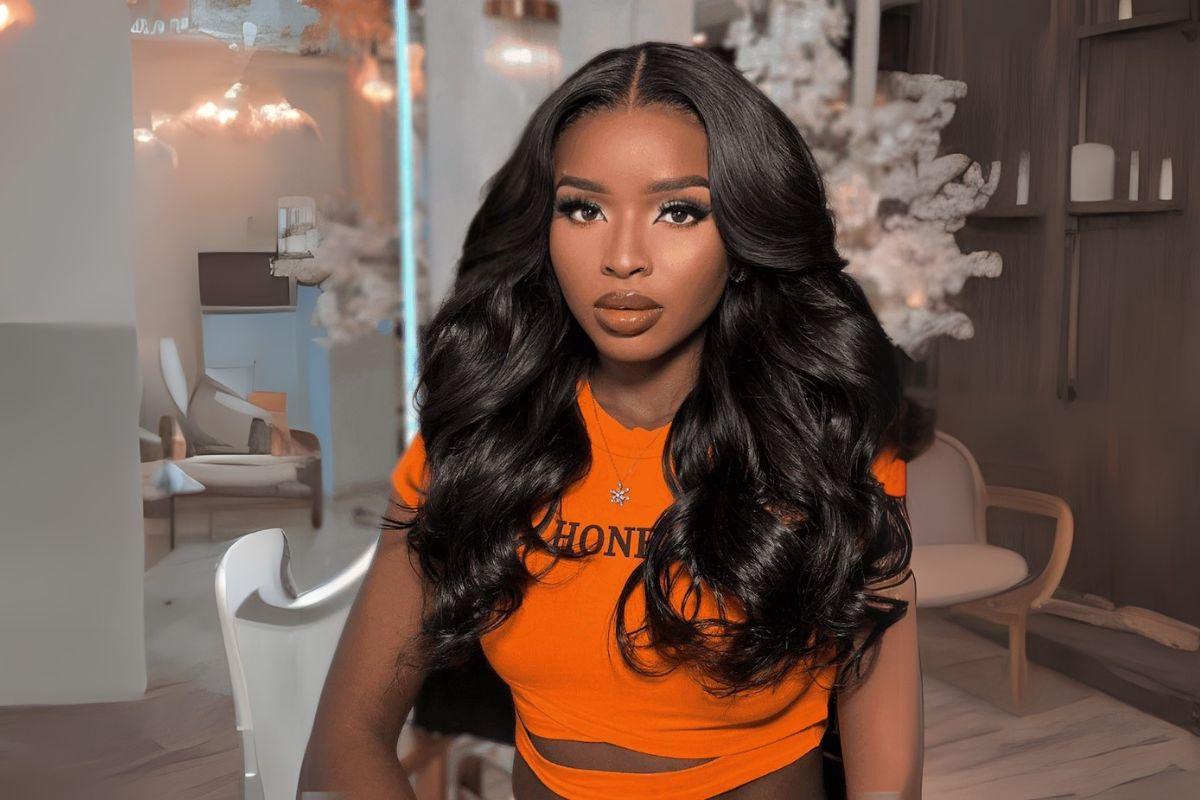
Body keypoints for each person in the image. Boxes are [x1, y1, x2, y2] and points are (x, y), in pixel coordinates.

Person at [299, 41, 923, 800]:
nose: (624, 257)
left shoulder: (827, 433)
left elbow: (883, 746)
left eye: (679, 211)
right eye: (584, 208)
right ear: (545, 225)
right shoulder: (480, 440)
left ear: (743, 235)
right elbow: (344, 739)